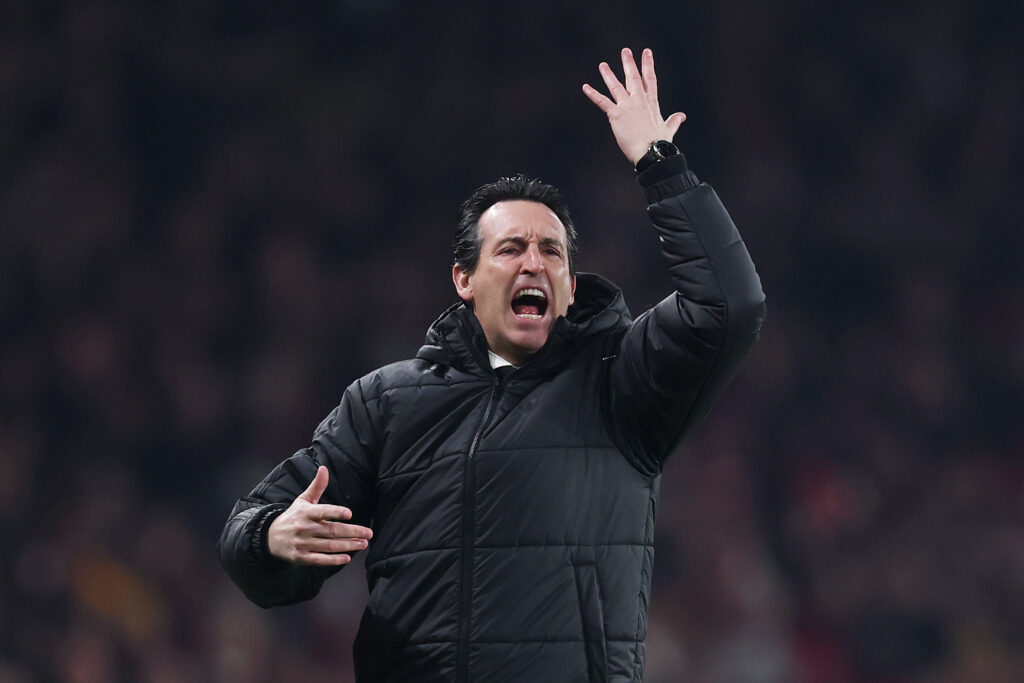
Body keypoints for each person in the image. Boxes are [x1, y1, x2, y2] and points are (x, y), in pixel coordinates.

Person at [219, 47, 766, 682]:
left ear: (567, 286)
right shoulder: (385, 403)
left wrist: (659, 163)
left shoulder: (621, 382)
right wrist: (270, 540)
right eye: (510, 248)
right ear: (464, 279)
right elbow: (251, 536)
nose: (534, 261)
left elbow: (731, 303)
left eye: (552, 251)